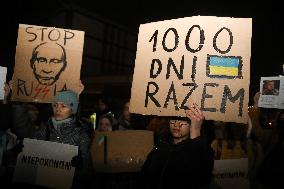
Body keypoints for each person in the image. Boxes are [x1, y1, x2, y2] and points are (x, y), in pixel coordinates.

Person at [141, 103, 214, 189]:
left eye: (183, 120)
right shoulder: (162, 142)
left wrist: (196, 130)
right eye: (173, 119)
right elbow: (146, 171)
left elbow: (202, 178)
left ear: (192, 123)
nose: (176, 124)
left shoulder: (202, 148)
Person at [33, 90, 91, 188]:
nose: (58, 109)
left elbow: (88, 172)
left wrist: (80, 166)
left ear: (72, 110)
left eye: (63, 106)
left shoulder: (81, 135)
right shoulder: (43, 131)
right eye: (55, 105)